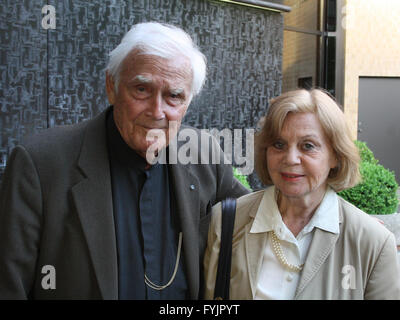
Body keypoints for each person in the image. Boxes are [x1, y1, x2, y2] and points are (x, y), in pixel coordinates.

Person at [0, 22, 249, 299]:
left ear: (188, 102)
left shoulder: (205, 155)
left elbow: (261, 221)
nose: (157, 112)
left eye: (173, 96)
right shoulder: (40, 163)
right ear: (111, 86)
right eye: (141, 89)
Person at [204, 89, 400, 300]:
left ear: (335, 155)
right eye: (279, 144)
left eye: (308, 146)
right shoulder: (226, 222)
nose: (291, 158)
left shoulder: (373, 243)